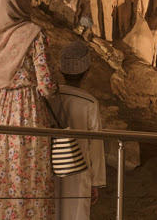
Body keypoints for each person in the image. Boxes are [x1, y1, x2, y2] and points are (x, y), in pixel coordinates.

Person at [0, 0, 57, 219]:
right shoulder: (34, 34)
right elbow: (47, 84)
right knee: (28, 178)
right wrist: (49, 91)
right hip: (26, 113)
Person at [48, 41, 106, 220]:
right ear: (86, 73)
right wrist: (95, 182)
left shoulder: (48, 97)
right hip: (78, 171)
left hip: (49, 167)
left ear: (61, 70)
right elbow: (95, 145)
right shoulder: (89, 103)